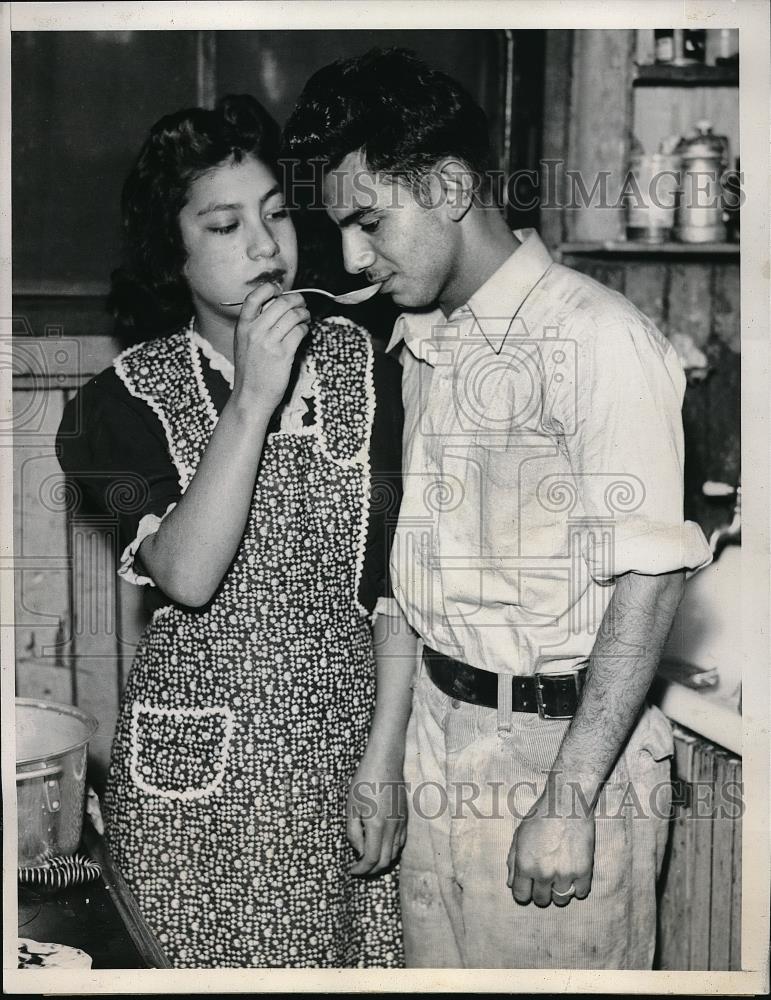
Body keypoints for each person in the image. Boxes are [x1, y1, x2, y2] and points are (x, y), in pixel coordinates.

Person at [283, 48, 713, 970]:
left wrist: (568, 799)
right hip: (441, 736)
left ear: (445, 186)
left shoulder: (596, 339)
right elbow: (410, 580)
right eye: (341, 231)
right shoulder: (422, 341)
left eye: (368, 221)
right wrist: (385, 754)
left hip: (559, 759)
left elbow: (652, 577)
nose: (353, 259)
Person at [56, 94, 417, 969]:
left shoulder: (371, 370)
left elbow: (398, 591)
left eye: (277, 214)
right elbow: (187, 574)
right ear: (171, 255)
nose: (265, 247)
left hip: (338, 763)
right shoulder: (117, 406)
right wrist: (253, 395)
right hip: (196, 794)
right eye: (224, 225)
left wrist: (384, 757)